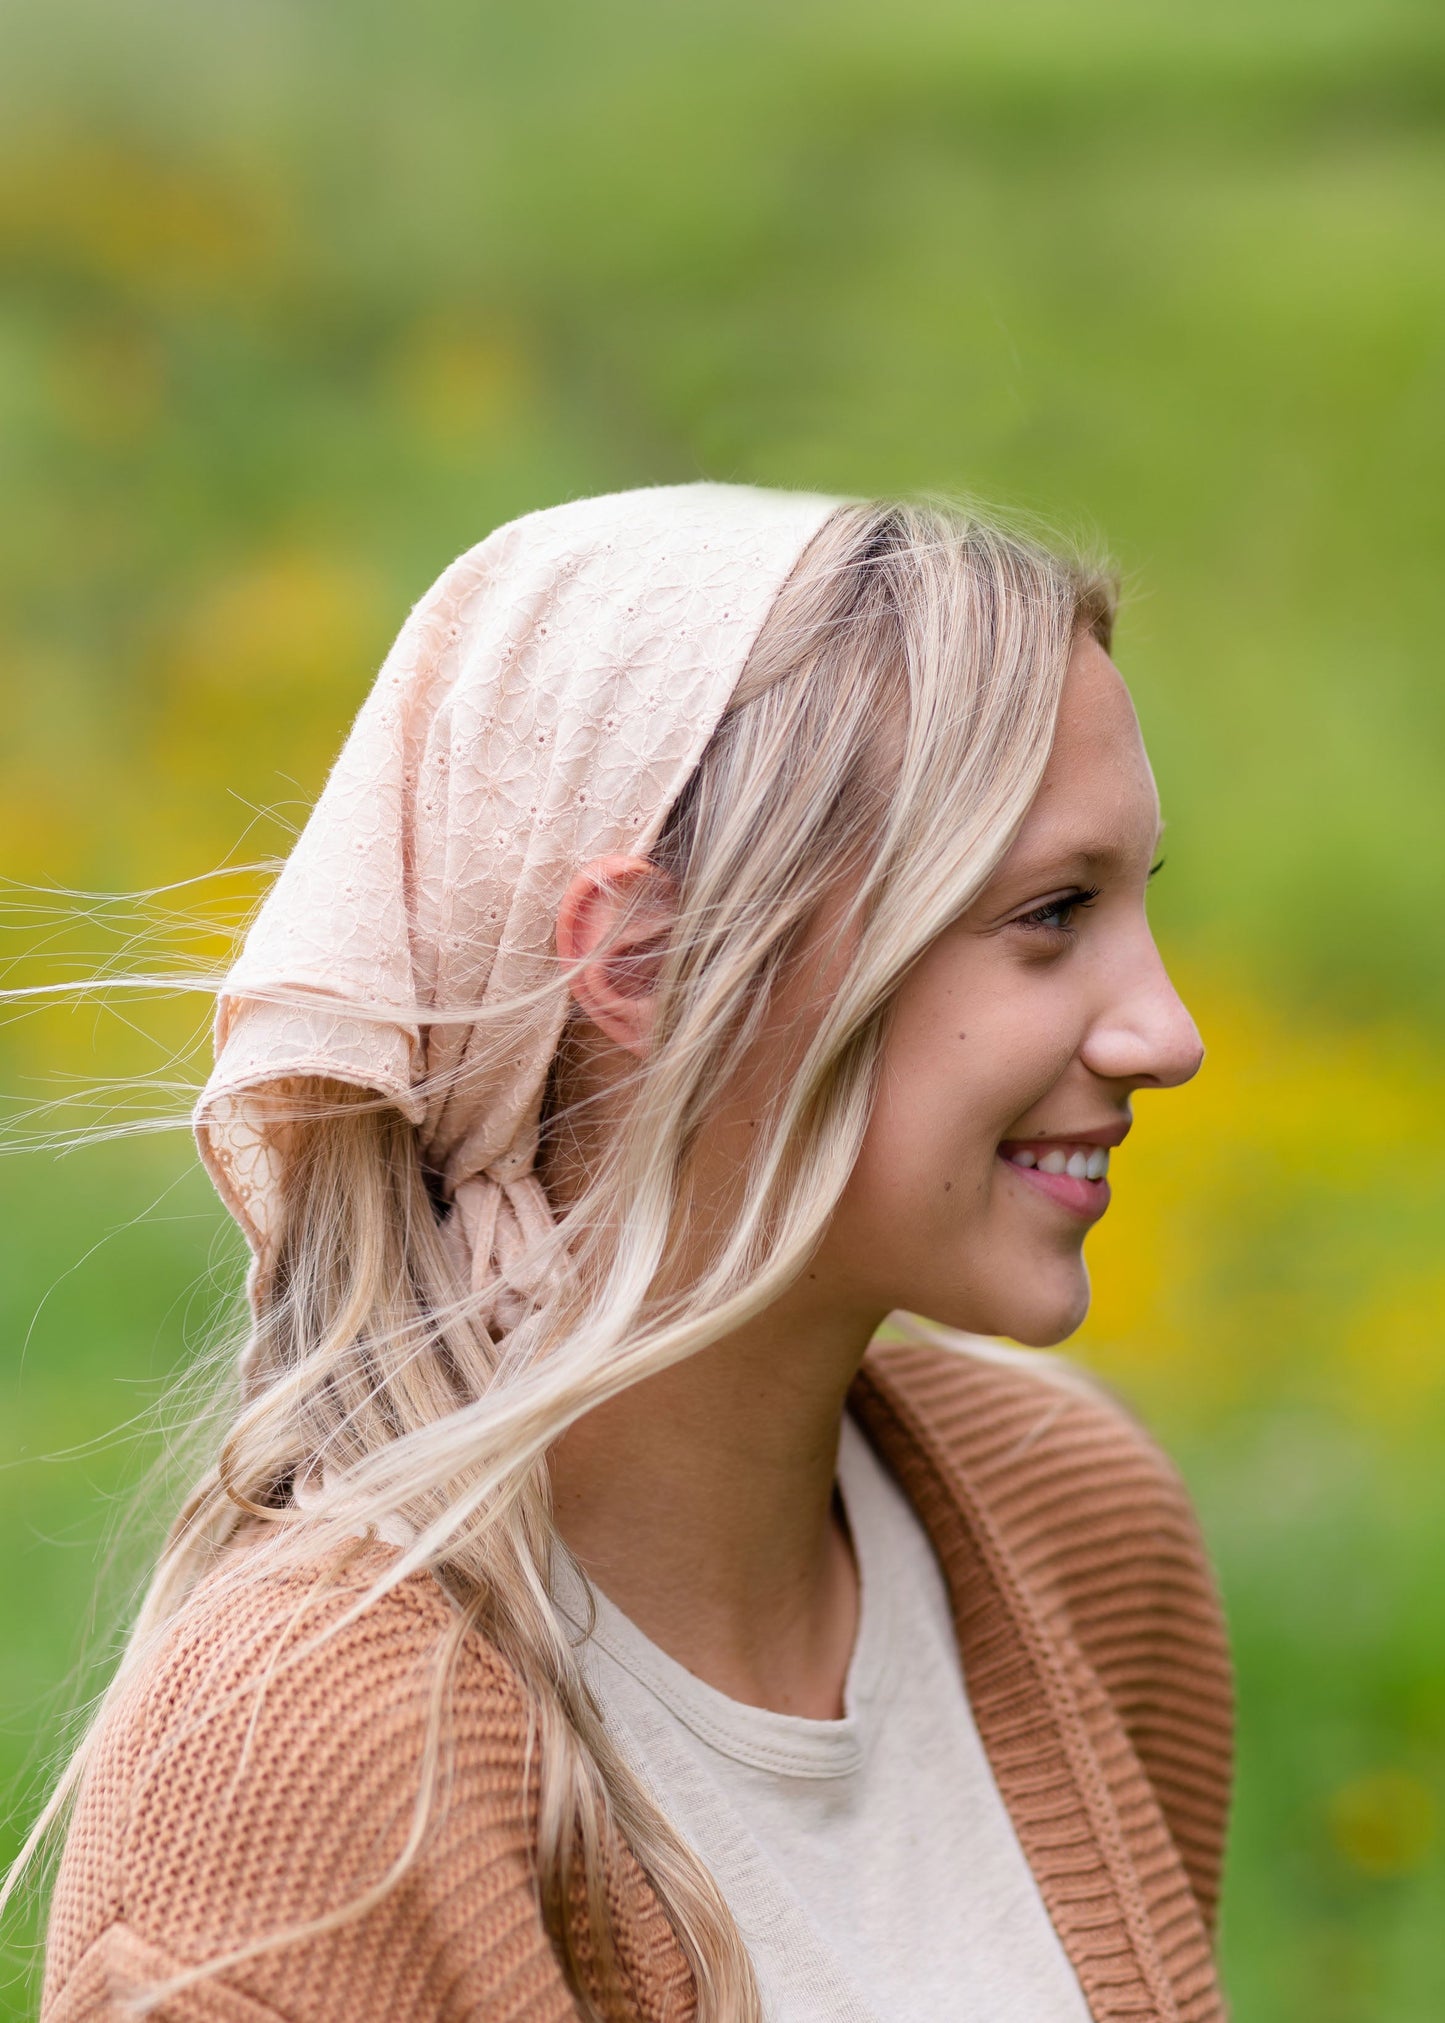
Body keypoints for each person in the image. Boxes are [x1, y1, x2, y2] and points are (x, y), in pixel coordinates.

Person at [28, 485, 1232, 2023]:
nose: (1168, 1033)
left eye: (1135, 900)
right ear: (647, 961)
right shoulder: (300, 1772)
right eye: (1048, 913)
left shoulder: (1075, 1526)